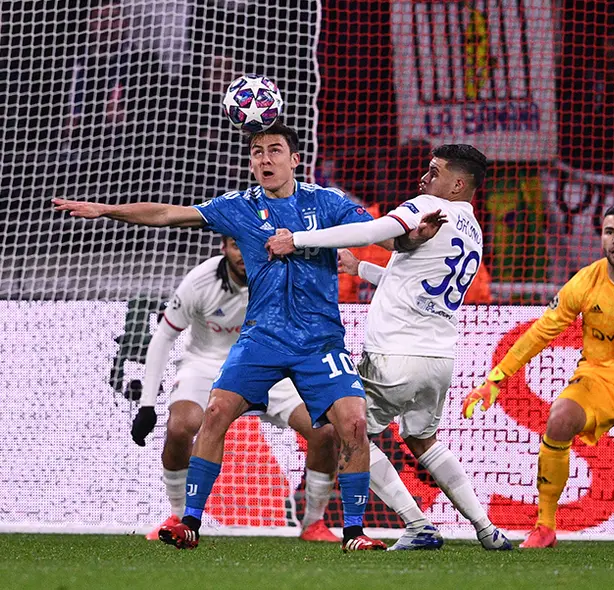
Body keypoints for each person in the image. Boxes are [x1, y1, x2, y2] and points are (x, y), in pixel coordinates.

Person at [53, 123, 438, 551]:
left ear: (295, 159)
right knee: (215, 411)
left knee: (353, 423)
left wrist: (413, 236)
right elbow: (168, 214)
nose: (265, 159)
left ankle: (352, 531)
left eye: (275, 151)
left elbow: (377, 234)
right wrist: (107, 210)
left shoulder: (327, 202)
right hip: (262, 338)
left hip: (320, 340)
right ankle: (189, 522)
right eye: (257, 152)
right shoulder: (237, 207)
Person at [267, 144, 513, 551]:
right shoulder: (473, 229)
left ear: (456, 183)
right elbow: (412, 285)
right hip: (438, 358)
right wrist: (360, 268)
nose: (424, 178)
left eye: (434, 171)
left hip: (394, 354)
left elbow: (369, 231)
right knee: (424, 440)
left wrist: (300, 239)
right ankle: (487, 530)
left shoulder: (427, 206)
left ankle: (417, 524)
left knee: (344, 432)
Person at [460, 204, 614, 551]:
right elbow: (541, 332)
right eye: (609, 232)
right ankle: (545, 526)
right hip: (598, 376)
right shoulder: (586, 280)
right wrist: (496, 379)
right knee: (559, 418)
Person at [131, 236, 342, 543]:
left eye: (248, 246)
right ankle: (178, 515)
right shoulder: (200, 280)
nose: (242, 254)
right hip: (207, 364)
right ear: (223, 248)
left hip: (271, 364)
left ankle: (313, 524)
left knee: (324, 432)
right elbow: (163, 337)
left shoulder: (284, 276)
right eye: (234, 246)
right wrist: (147, 404)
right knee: (179, 428)